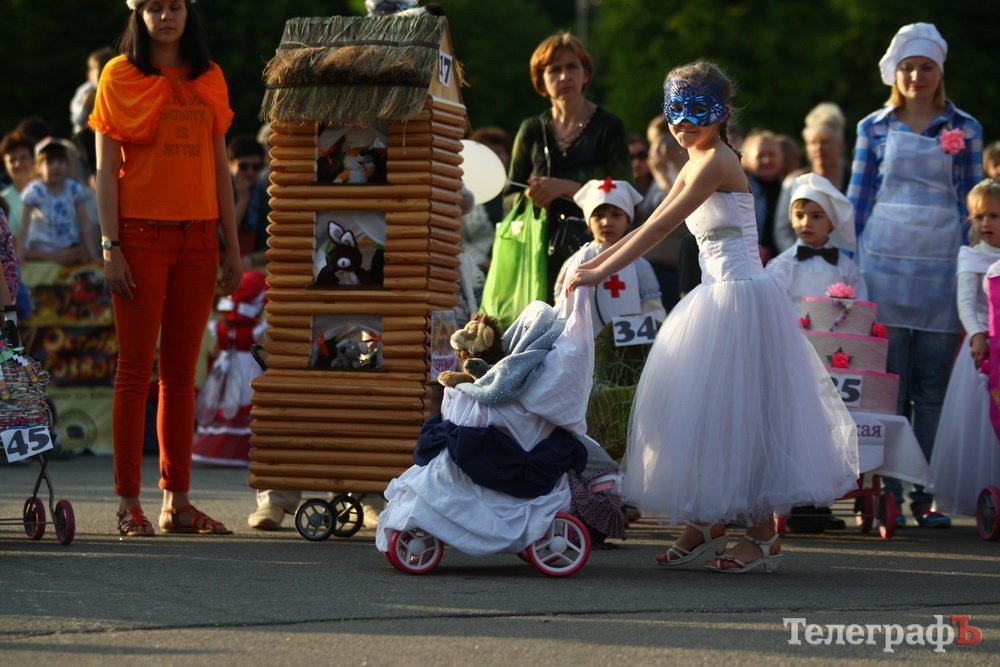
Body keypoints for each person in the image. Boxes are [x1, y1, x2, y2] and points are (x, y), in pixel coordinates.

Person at [565, 60, 858, 573]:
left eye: (695, 110)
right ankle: (706, 522)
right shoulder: (696, 159)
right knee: (702, 412)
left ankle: (762, 534)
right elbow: (652, 221)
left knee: (746, 415)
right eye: (674, 111)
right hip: (714, 296)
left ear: (721, 112)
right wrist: (592, 264)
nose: (682, 123)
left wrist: (597, 270)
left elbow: (658, 229)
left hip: (741, 301)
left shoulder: (717, 161)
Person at [90, 0, 243, 536]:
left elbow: (220, 168)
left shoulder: (209, 76)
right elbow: (105, 169)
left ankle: (177, 502)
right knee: (134, 372)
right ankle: (127, 503)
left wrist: (231, 246)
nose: (165, 15)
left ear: (187, 11)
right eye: (153, 6)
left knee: (181, 378)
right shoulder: (119, 74)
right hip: (139, 237)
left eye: (174, 5)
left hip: (199, 238)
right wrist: (111, 246)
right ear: (139, 14)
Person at [848, 22, 983, 528]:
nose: (917, 76)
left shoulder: (966, 127)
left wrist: (975, 266)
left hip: (940, 270)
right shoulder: (873, 126)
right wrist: (851, 267)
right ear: (894, 72)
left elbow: (972, 206)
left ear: (939, 72)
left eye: (926, 67)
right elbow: (858, 202)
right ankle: (888, 492)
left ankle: (927, 496)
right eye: (908, 67)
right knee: (888, 387)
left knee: (930, 390)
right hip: (883, 267)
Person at [503, 31, 631, 299]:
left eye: (572, 66)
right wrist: (529, 196)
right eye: (554, 70)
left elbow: (626, 194)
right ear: (541, 80)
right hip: (537, 255)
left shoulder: (609, 127)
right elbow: (508, 198)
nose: (564, 76)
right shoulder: (530, 130)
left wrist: (567, 188)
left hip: (596, 255)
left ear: (585, 74)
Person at [929, 180, 1000, 517]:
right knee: (981, 424)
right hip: (984, 353)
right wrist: (977, 334)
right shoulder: (971, 256)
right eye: (979, 216)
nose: (986, 223)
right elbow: (966, 303)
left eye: (995, 216)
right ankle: (983, 492)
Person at [553, 177, 665, 335]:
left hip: (631, 345)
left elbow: (652, 306)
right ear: (588, 221)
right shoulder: (576, 262)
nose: (606, 222)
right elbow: (561, 301)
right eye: (598, 216)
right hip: (587, 341)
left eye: (616, 215)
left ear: (628, 221)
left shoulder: (639, 264)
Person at [767, 172, 867, 303]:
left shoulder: (846, 267)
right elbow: (770, 305)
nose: (806, 223)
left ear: (831, 221)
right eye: (799, 216)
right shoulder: (781, 266)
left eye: (816, 216)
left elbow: (860, 305)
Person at [774, 103, 851, 253]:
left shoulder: (855, 181)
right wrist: (799, 257)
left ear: (840, 146)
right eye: (813, 143)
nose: (818, 149)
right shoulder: (794, 181)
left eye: (825, 142)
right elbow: (782, 230)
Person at [16, 138, 97, 266]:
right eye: (50, 162)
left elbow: (85, 224)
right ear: (38, 167)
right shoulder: (35, 190)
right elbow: (24, 226)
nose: (56, 166)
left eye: (61, 161)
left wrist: (92, 255)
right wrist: (20, 256)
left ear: (68, 165)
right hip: (43, 251)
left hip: (70, 248)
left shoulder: (73, 188)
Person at [226, 135, 270, 269]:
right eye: (243, 166)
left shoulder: (261, 194)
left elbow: (270, 244)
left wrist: (251, 258)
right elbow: (223, 237)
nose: (250, 172)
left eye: (256, 167)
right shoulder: (219, 191)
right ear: (229, 164)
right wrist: (243, 200)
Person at [741, 128, 784, 263]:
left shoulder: (788, 187)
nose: (767, 160)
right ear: (747, 158)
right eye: (760, 156)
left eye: (772, 154)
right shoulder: (739, 188)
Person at [1, 131, 36, 237]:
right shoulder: (2, 201)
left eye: (24, 158)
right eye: (12, 160)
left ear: (34, 160)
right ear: (5, 165)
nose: (18, 164)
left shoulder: (50, 190)